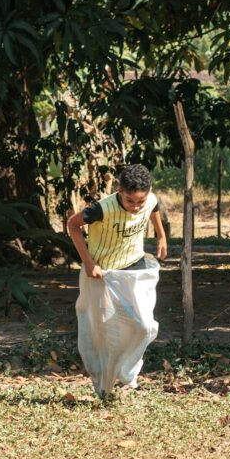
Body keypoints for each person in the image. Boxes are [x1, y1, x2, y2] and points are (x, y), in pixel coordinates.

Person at [67, 164, 167, 398]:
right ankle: (105, 387)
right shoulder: (102, 209)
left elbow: (153, 208)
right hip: (104, 275)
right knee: (106, 334)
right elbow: (72, 224)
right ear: (120, 191)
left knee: (145, 326)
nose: (135, 207)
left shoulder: (149, 199)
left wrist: (161, 236)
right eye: (130, 201)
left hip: (135, 270)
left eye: (139, 202)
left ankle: (127, 375)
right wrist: (89, 262)